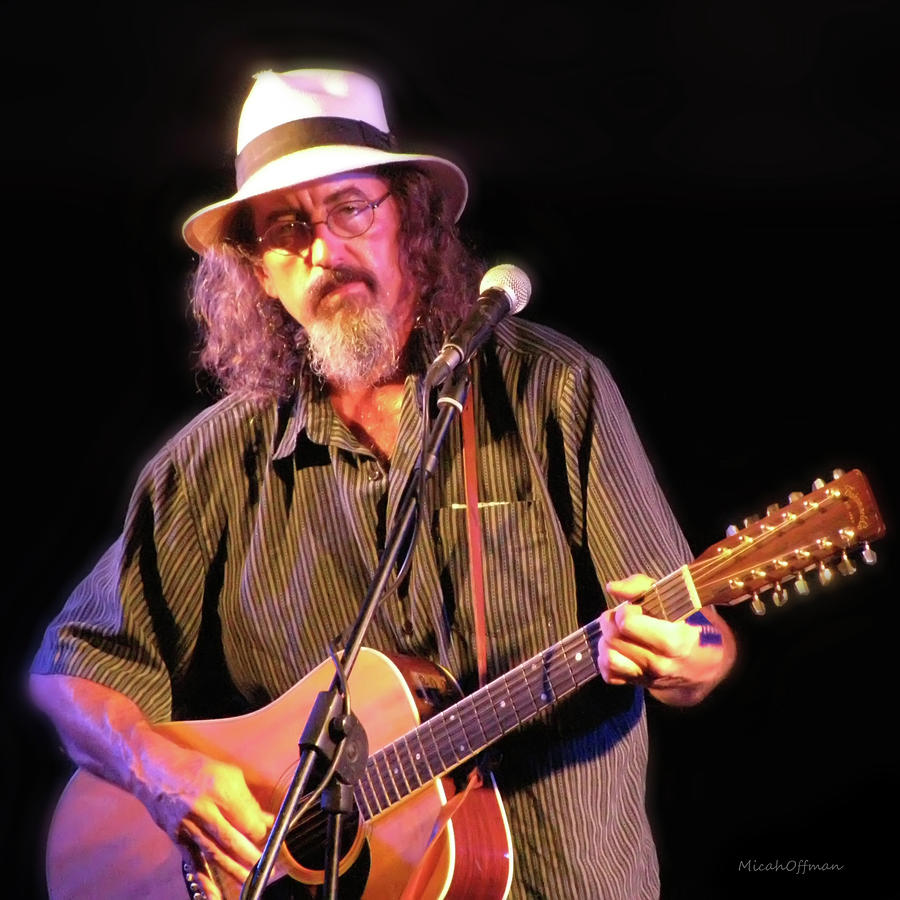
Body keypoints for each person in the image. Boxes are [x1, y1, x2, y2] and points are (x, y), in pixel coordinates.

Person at [30, 67, 736, 900]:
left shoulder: (555, 391)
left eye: (350, 208)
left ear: (408, 217)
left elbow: (698, 632)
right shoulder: (210, 465)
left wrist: (692, 659)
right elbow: (71, 670)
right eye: (288, 229)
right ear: (259, 272)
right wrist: (166, 778)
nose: (325, 250)